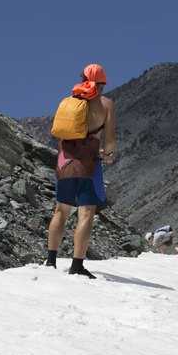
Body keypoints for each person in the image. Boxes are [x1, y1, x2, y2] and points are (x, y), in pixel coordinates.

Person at [45, 64, 116, 279]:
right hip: (88, 164)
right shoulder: (105, 104)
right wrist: (108, 154)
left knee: (61, 210)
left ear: (82, 78)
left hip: (64, 160)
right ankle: (77, 265)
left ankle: (51, 260)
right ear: (103, 83)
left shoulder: (70, 101)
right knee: (86, 213)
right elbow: (111, 140)